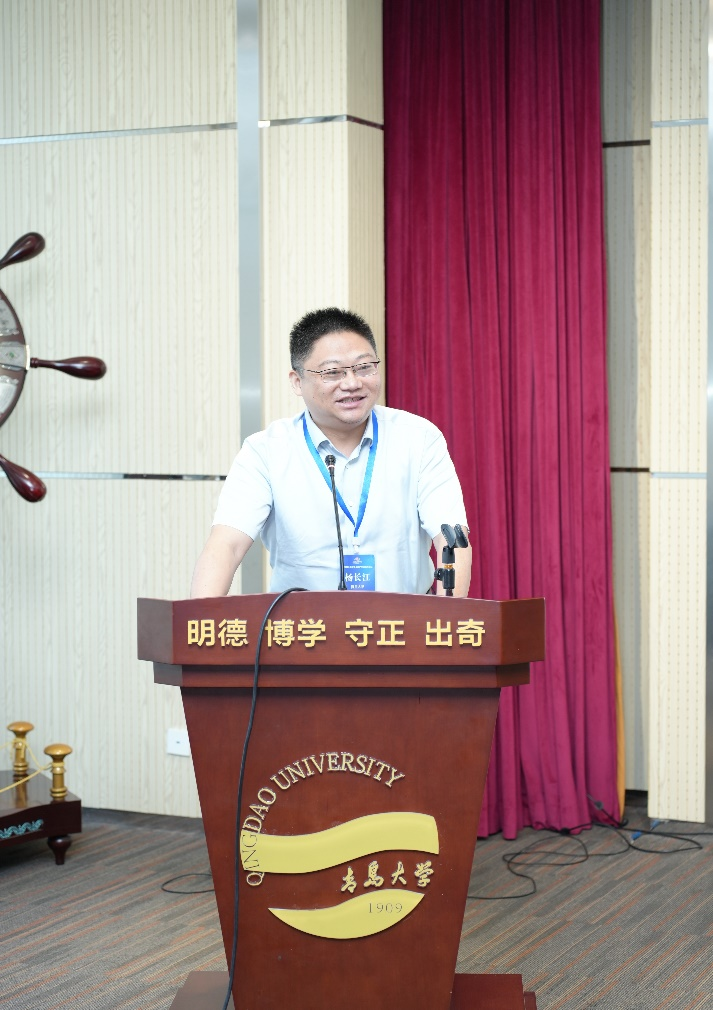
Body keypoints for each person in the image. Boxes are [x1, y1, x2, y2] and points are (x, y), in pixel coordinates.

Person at [190, 307, 471, 597]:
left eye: (364, 367)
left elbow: (452, 539)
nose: (352, 383)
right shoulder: (265, 452)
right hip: (303, 622)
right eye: (333, 372)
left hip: (402, 620)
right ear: (297, 382)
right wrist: (200, 622)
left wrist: (446, 621)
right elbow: (227, 546)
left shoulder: (418, 438)